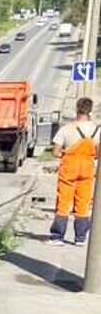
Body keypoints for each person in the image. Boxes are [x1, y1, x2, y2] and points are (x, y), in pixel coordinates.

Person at [50, 97, 99, 246]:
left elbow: (55, 152)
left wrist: (65, 152)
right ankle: (80, 238)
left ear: (77, 110)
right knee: (83, 203)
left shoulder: (66, 129)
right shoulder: (97, 130)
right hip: (87, 169)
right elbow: (98, 153)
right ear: (90, 111)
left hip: (69, 169)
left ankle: (58, 236)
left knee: (63, 202)